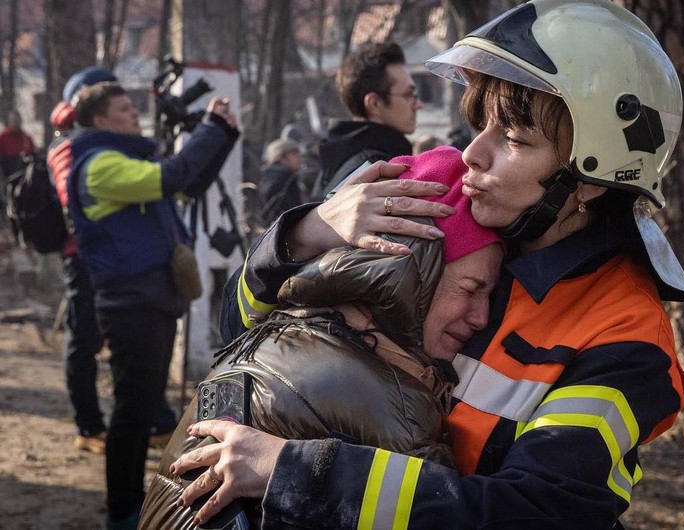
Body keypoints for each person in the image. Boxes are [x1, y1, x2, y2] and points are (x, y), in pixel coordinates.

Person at [175, 1, 684, 528]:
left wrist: (297, 473)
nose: (473, 152)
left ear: (589, 182)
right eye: (482, 124)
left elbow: (535, 512)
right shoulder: (452, 227)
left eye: (515, 138)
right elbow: (240, 332)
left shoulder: (625, 334)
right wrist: (302, 234)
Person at [138, 146, 504, 529]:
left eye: (490, 297)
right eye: (470, 288)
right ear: (410, 275)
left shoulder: (284, 328)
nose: (481, 317)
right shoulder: (398, 409)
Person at [65, 80, 239, 529]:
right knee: (132, 412)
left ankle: (131, 505)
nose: (134, 113)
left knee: (141, 410)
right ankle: (123, 512)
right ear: (100, 119)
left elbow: (189, 183)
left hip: (150, 300)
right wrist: (211, 127)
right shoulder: (100, 165)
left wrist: (222, 134)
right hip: (130, 304)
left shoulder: (126, 162)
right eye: (125, 108)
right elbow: (173, 177)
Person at [47, 67, 178, 454]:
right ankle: (89, 426)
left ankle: (158, 421)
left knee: (132, 348)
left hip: (104, 255)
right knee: (84, 340)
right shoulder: (72, 147)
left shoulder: (89, 142)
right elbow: (78, 200)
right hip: (87, 257)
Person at [310, 41, 422, 200]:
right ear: (374, 104)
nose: (418, 104)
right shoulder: (377, 171)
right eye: (408, 95)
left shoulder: (338, 160)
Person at [257, 138, 305, 227]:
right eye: (293, 154)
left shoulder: (288, 177)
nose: (298, 157)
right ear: (281, 158)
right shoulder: (277, 179)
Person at [0, 109, 36, 199]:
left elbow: (33, 153)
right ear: (9, 122)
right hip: (7, 173)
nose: (16, 123)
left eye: (18, 121)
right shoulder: (2, 138)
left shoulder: (26, 137)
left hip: (24, 174)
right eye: (14, 121)